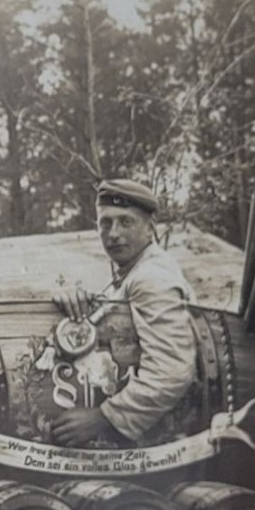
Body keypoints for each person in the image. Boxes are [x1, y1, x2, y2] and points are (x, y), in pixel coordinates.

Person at [50, 178, 198, 447]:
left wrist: (104, 416)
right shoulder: (133, 272)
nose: (113, 233)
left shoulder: (152, 277)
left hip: (161, 446)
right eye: (105, 223)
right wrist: (70, 302)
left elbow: (172, 371)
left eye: (125, 222)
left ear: (150, 229)